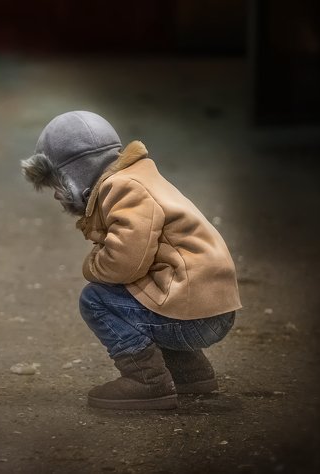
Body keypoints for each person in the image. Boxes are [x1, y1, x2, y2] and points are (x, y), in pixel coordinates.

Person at [21, 111, 241, 409]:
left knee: (97, 299)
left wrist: (92, 266)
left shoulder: (123, 188)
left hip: (196, 317)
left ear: (79, 172)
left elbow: (125, 262)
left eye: (57, 183)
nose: (57, 196)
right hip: (206, 307)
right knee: (142, 294)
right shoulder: (139, 177)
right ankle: (190, 375)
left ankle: (146, 380)